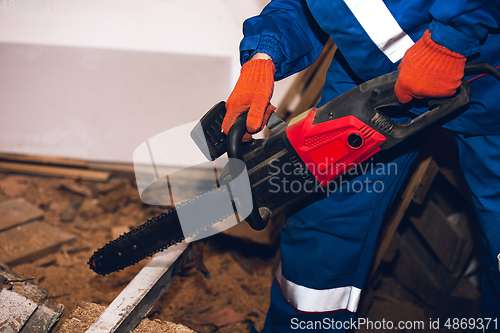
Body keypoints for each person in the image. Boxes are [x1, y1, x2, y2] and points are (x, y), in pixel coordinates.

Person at [221, 0, 500, 331]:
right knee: (325, 218)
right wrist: (264, 55)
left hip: (486, 72)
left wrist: (450, 42)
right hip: (371, 75)